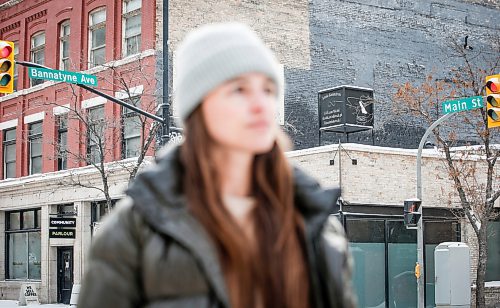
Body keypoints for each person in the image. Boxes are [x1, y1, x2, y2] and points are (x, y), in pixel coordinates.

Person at [78, 22, 356, 308]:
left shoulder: (314, 223)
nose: (262, 104)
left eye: (268, 90)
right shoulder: (136, 229)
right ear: (198, 107)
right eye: (239, 89)